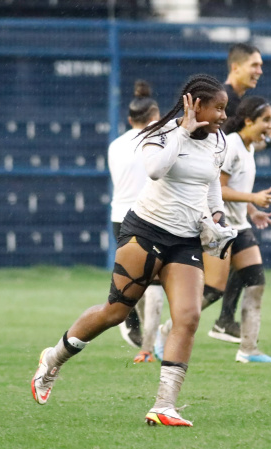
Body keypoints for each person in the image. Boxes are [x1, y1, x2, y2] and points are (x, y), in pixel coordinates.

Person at [31, 74, 230, 427]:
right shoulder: (161, 133)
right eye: (219, 108)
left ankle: (164, 405)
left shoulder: (218, 141)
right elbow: (154, 170)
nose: (223, 116)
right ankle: (52, 360)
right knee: (115, 313)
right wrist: (183, 130)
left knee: (189, 317)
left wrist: (216, 218)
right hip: (145, 232)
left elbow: (211, 184)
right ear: (195, 105)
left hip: (184, 241)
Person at [157, 96, 271, 363]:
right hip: (219, 227)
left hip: (241, 226)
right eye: (266, 121)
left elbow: (238, 189)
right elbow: (219, 189)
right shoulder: (231, 146)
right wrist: (252, 199)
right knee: (213, 290)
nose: (270, 127)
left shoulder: (250, 147)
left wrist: (252, 210)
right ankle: (165, 331)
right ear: (249, 121)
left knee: (256, 282)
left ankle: (248, 350)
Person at [204, 42, 271, 343]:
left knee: (249, 273)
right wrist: (270, 140)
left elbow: (235, 160)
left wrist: (249, 207)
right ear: (235, 67)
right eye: (255, 65)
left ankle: (228, 325)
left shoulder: (238, 105)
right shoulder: (222, 101)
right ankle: (158, 320)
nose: (260, 70)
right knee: (209, 284)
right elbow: (220, 160)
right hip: (204, 202)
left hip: (225, 205)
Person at [108, 79, 165, 363]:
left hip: (119, 217)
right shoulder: (155, 143)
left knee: (132, 279)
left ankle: (132, 326)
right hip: (149, 216)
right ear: (156, 117)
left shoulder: (115, 145)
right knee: (153, 283)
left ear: (130, 119)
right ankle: (147, 345)